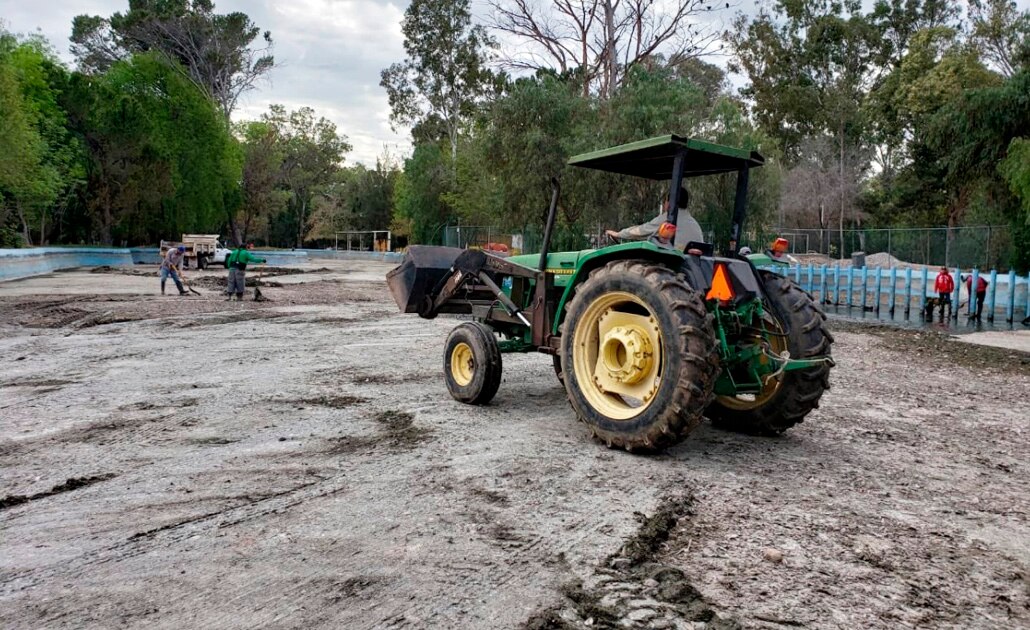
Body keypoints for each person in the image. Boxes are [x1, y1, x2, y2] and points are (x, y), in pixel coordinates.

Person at [605, 188, 703, 250]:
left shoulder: (668, 218)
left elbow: (641, 231)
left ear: (670, 203)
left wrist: (618, 234)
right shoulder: (694, 223)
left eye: (665, 201)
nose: (664, 204)